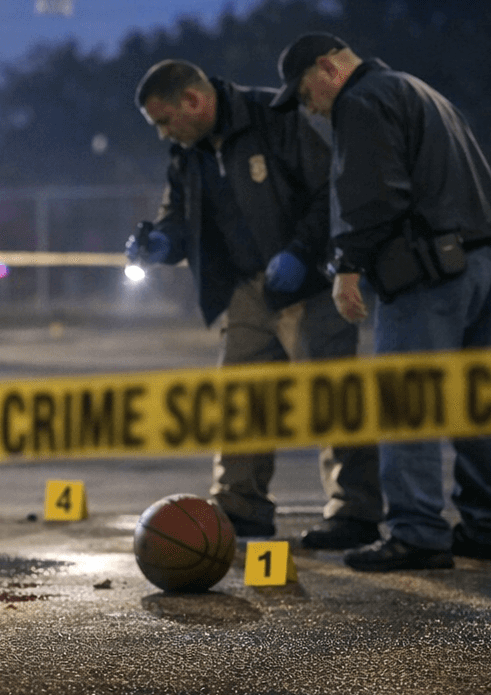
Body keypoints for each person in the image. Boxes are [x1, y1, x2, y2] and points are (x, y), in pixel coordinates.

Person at [273, 32, 491, 571]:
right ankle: (490, 526)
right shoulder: (420, 91)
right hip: (484, 261)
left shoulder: (361, 101)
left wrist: (348, 267)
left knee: (406, 402)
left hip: (429, 274)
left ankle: (417, 533)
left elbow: (375, 194)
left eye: (305, 93)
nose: (308, 107)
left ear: (328, 69)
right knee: (477, 404)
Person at [127, 59, 382, 548]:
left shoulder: (275, 115)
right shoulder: (188, 152)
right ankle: (241, 507)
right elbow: (177, 215)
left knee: (332, 396)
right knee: (240, 398)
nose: (163, 134)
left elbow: (328, 191)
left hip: (309, 284)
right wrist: (160, 241)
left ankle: (356, 511)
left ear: (193, 101)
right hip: (247, 289)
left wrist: (301, 253)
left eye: (165, 121)